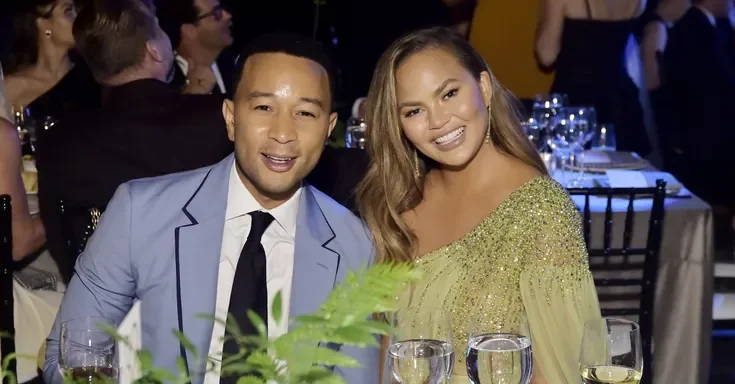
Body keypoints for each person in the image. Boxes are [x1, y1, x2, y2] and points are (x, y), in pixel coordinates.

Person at [43, 27, 378, 384]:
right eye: (264, 107)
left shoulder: (352, 245)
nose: (283, 133)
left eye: (305, 113)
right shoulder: (139, 213)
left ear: (329, 129)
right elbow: (67, 358)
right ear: (232, 118)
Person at [357, 27, 601, 383]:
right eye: (414, 111)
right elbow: (380, 351)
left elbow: (559, 367)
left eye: (449, 94)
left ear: (484, 88)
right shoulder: (397, 207)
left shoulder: (542, 209)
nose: (438, 121)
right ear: (399, 125)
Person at [34, 0, 232, 282]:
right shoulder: (220, 119)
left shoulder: (57, 141)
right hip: (205, 313)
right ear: (155, 51)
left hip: (103, 316)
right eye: (162, 32)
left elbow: (64, 248)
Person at [535, 0, 651, 157]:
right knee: (625, 178)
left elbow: (546, 55)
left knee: (569, 176)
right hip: (622, 106)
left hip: (575, 111)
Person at [2, 0, 98, 121]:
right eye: (68, 11)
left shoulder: (92, 75)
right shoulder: (11, 87)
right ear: (43, 24)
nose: (78, 18)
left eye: (76, 11)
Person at [155, 0, 234, 95]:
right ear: (189, 31)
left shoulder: (238, 67)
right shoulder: (164, 81)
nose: (228, 15)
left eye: (222, 8)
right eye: (216, 13)